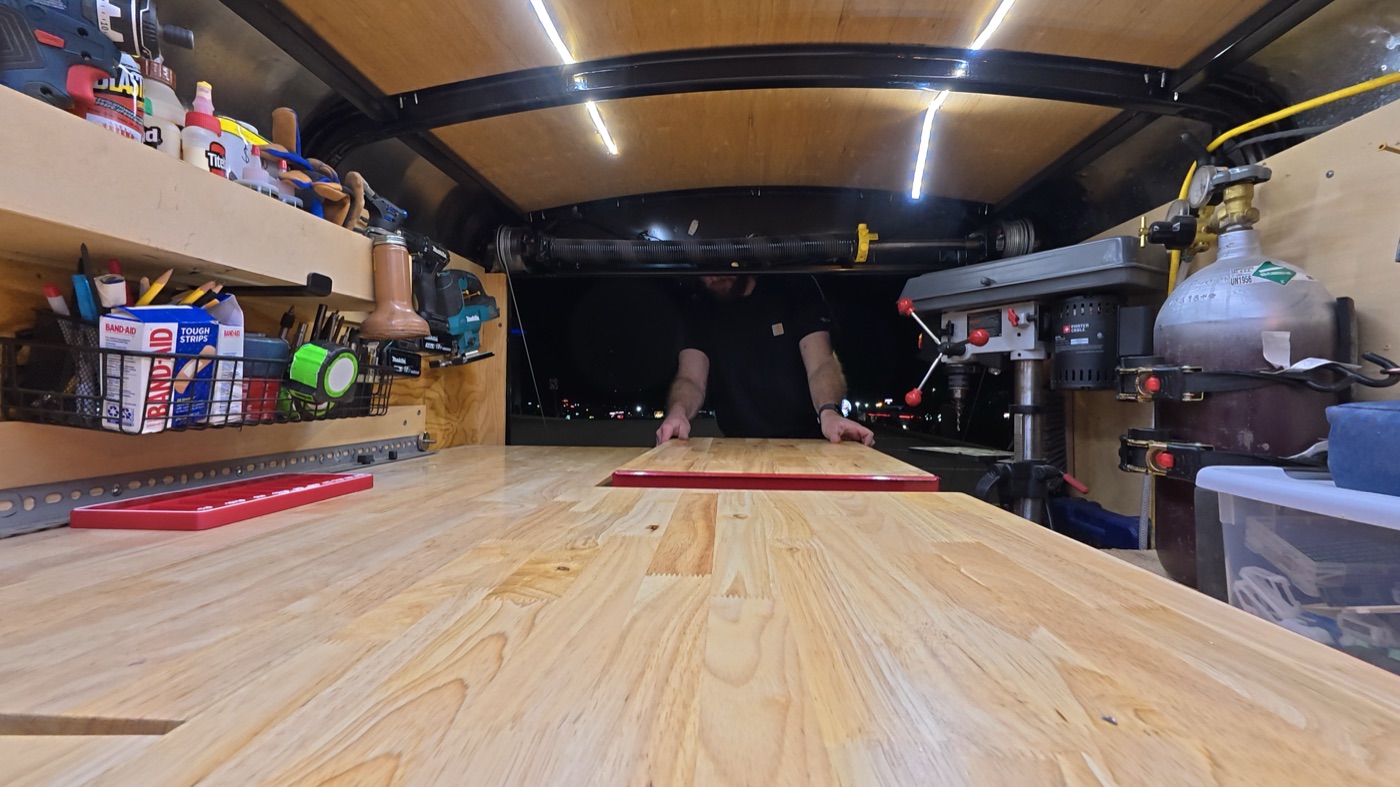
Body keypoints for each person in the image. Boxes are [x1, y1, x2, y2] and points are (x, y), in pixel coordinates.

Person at [656, 275, 875, 446]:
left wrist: (829, 412)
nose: (712, 277)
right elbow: (690, 378)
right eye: (704, 270)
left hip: (807, 439)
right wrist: (678, 413)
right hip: (736, 443)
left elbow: (821, 363)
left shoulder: (793, 287)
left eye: (719, 264)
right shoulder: (698, 308)